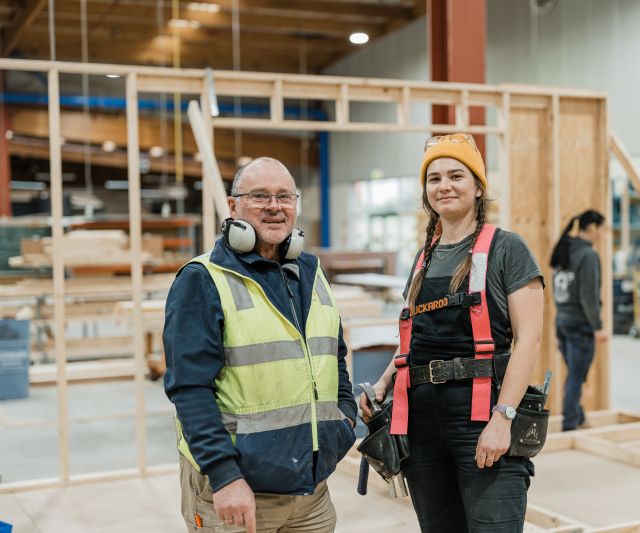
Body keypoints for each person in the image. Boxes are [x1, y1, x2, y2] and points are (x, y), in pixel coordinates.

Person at [360, 133, 545, 533]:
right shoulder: (423, 256)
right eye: (434, 178)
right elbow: (416, 340)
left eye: (456, 176)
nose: (444, 185)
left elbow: (528, 340)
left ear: (478, 187)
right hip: (422, 424)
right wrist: (382, 384)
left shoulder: (507, 249)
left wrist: (504, 417)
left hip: (482, 417)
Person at [163, 157, 357, 533]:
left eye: (284, 196)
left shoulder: (312, 273)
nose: (274, 206)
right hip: (240, 492)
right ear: (233, 207)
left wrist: (343, 422)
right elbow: (189, 388)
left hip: (311, 492)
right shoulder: (203, 279)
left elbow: (334, 355)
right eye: (259, 196)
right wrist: (224, 475)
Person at [549, 209, 607, 431]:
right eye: (601, 230)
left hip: (562, 321)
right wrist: (598, 327)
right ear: (591, 228)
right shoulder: (588, 255)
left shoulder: (565, 248)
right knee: (576, 377)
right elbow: (588, 296)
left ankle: (579, 417)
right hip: (580, 324)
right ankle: (570, 425)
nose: (602, 236)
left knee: (574, 375)